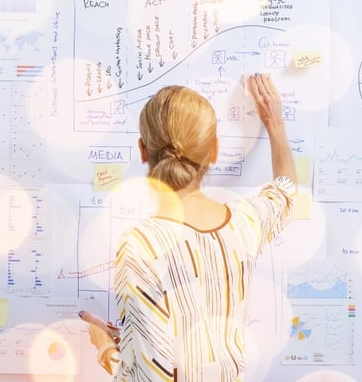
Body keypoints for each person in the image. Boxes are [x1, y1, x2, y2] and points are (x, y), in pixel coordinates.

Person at [85, 73, 297, 381]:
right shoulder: (244, 224)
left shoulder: (141, 245)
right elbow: (285, 189)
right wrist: (274, 123)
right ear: (214, 150)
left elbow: (147, 378)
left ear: (143, 150)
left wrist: (105, 348)